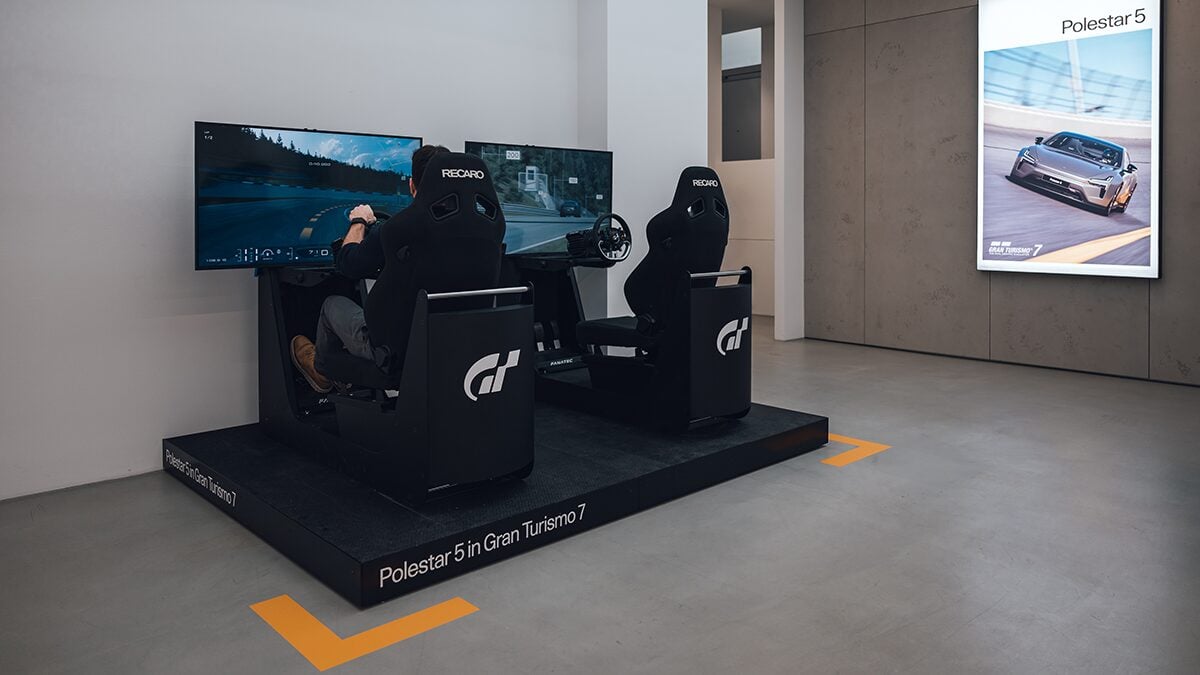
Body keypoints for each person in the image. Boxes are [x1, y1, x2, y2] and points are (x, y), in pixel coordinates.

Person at [290, 144, 450, 392]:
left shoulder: (397, 229)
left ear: (412, 185)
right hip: (453, 345)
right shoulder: (484, 231)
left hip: (395, 351)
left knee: (332, 304)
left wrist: (359, 222)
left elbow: (348, 264)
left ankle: (324, 372)